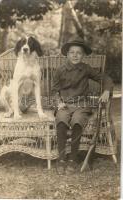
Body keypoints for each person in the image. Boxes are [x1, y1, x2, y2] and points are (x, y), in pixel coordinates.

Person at [52, 36, 113, 174]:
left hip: (82, 105)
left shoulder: (86, 69)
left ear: (83, 55)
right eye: (72, 52)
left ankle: (73, 159)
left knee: (77, 121)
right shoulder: (60, 70)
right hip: (65, 105)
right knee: (61, 120)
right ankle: (61, 159)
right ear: (67, 54)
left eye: (79, 53)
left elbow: (105, 78)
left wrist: (106, 91)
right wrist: (58, 102)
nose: (75, 55)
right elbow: (54, 90)